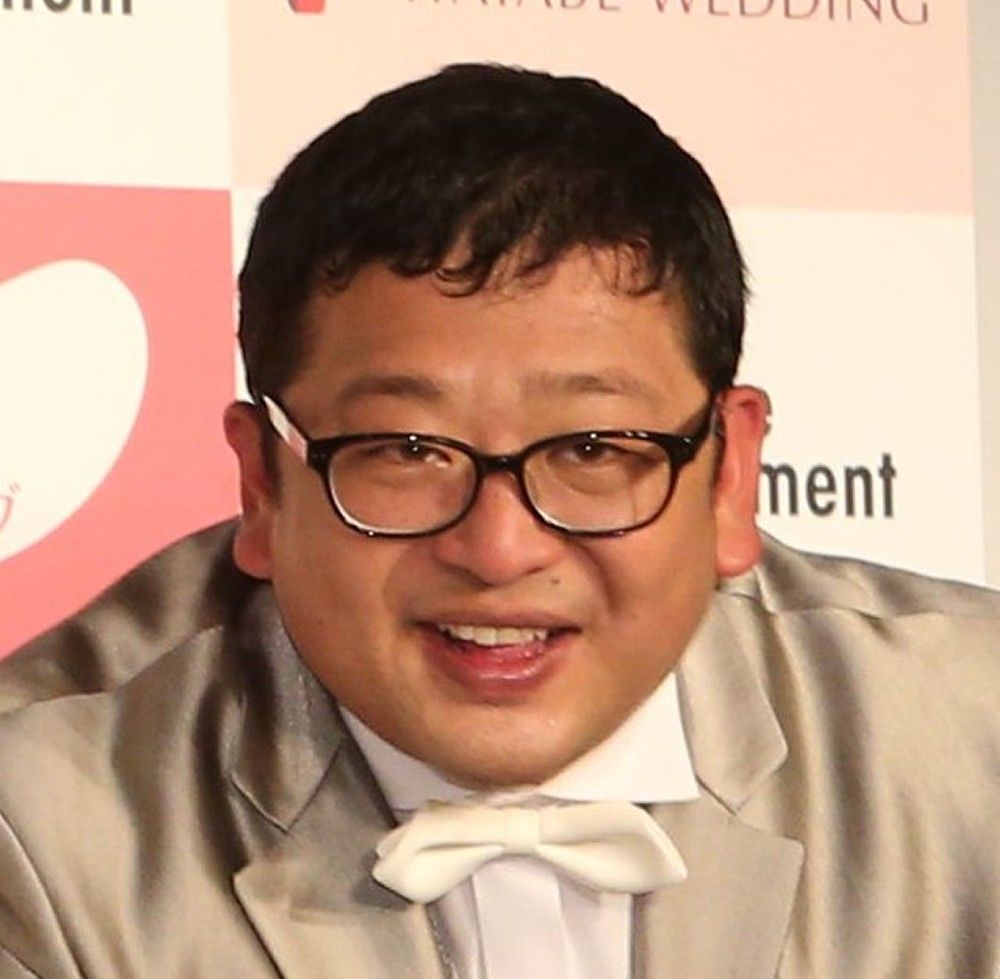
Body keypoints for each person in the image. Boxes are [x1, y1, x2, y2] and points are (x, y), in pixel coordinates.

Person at [0, 64, 996, 979]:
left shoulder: (974, 738)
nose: (499, 549)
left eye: (593, 449)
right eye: (406, 450)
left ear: (730, 476)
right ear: (263, 482)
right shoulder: (40, 832)